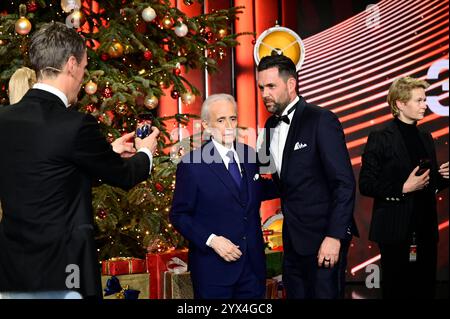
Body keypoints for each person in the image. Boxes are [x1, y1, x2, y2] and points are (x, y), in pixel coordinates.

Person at [0, 22, 160, 298]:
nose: (84, 76)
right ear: (71, 64)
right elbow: (124, 175)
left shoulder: (4, 120)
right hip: (64, 276)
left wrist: (106, 151)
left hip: (11, 273)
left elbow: (48, 167)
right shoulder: (75, 125)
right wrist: (145, 151)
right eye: (85, 68)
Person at [256, 54, 357, 299]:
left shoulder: (321, 119)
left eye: (271, 86)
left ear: (291, 85)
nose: (264, 93)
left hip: (324, 238)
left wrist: (334, 237)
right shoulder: (269, 127)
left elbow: (344, 183)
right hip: (292, 241)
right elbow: (270, 182)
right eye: (261, 87)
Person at [170, 94, 277, 299]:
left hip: (252, 270)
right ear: (206, 125)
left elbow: (256, 192)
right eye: (221, 120)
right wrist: (211, 240)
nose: (229, 126)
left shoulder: (249, 155)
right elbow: (179, 215)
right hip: (214, 271)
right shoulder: (192, 165)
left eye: (233, 119)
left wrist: (301, 178)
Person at [359, 76, 449, 299]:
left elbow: (429, 184)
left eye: (424, 99)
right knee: (397, 291)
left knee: (425, 289)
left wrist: (445, 177)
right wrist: (402, 188)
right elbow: (366, 184)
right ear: (399, 103)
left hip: (425, 229)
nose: (425, 105)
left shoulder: (425, 137)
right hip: (395, 230)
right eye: (419, 100)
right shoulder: (380, 137)